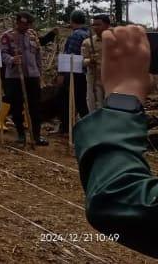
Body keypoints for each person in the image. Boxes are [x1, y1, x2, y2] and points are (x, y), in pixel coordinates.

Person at [73, 24, 158, 257]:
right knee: (93, 100)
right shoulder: (87, 42)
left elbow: (118, 196)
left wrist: (124, 96)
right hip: (97, 77)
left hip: (115, 83)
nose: (97, 28)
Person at [0, 11, 48, 146]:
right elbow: (2, 54)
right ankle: (21, 135)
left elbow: (37, 55)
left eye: (29, 24)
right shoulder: (8, 36)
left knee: (35, 107)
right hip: (14, 77)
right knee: (16, 107)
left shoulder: (32, 35)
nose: (27, 27)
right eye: (24, 24)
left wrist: (39, 73)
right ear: (18, 22)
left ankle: (36, 136)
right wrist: (12, 59)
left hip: (32, 76)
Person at [55, 10, 91, 134]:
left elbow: (69, 56)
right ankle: (86, 127)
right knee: (81, 100)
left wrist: (61, 74)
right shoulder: (88, 34)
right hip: (86, 73)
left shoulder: (76, 35)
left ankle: (66, 127)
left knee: (65, 99)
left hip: (74, 73)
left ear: (72, 21)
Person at [81, 14, 110, 112]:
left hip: (111, 80)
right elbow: (82, 61)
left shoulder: (115, 41)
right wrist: (90, 61)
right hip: (94, 80)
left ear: (107, 25)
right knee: (94, 107)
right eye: (94, 25)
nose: (95, 27)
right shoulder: (87, 42)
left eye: (98, 25)